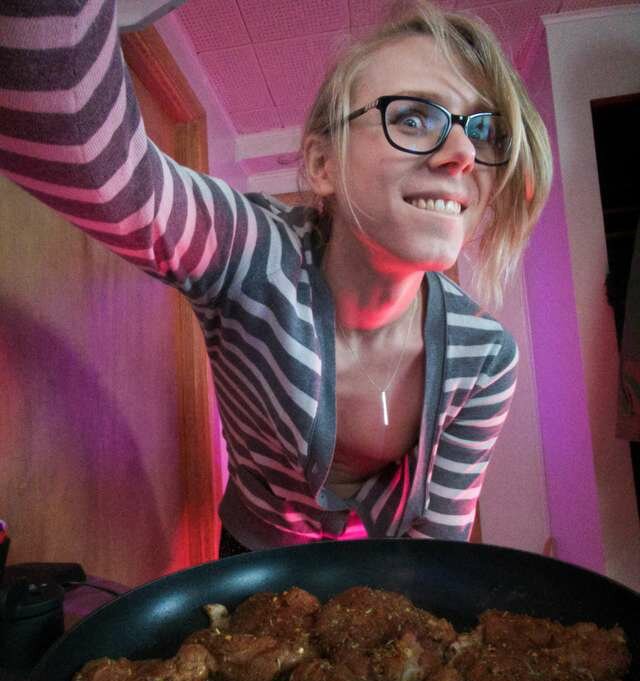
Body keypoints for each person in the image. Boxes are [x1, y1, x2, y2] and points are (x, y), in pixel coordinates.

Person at [0, 0, 552, 556]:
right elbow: (85, 151)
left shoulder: (485, 358)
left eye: (484, 131)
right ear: (322, 165)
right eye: (411, 118)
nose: (463, 154)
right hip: (253, 550)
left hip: (382, 563)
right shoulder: (250, 252)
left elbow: (437, 555)